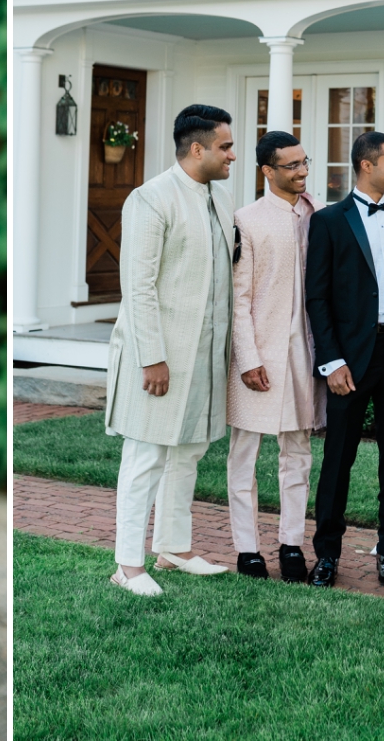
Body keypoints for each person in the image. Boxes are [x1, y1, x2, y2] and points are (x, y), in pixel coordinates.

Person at [104, 105, 236, 596]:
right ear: (197, 147)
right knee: (146, 455)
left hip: (207, 354)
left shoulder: (220, 199)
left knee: (188, 453)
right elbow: (136, 287)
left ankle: (174, 548)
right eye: (225, 146)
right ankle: (128, 566)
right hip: (160, 356)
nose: (233, 154)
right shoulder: (150, 198)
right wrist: (151, 357)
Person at [305, 132, 384, 589]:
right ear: (366, 165)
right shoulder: (330, 221)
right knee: (338, 457)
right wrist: (331, 361)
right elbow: (317, 296)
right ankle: (327, 555)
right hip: (350, 357)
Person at [225, 130, 322, 584]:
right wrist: (247, 358)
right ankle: (247, 548)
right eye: (292, 165)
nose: (303, 171)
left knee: (298, 454)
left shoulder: (317, 214)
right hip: (260, 355)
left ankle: (290, 545)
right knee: (244, 454)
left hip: (305, 352)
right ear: (268, 171)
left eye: (305, 162)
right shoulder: (246, 220)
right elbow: (237, 297)